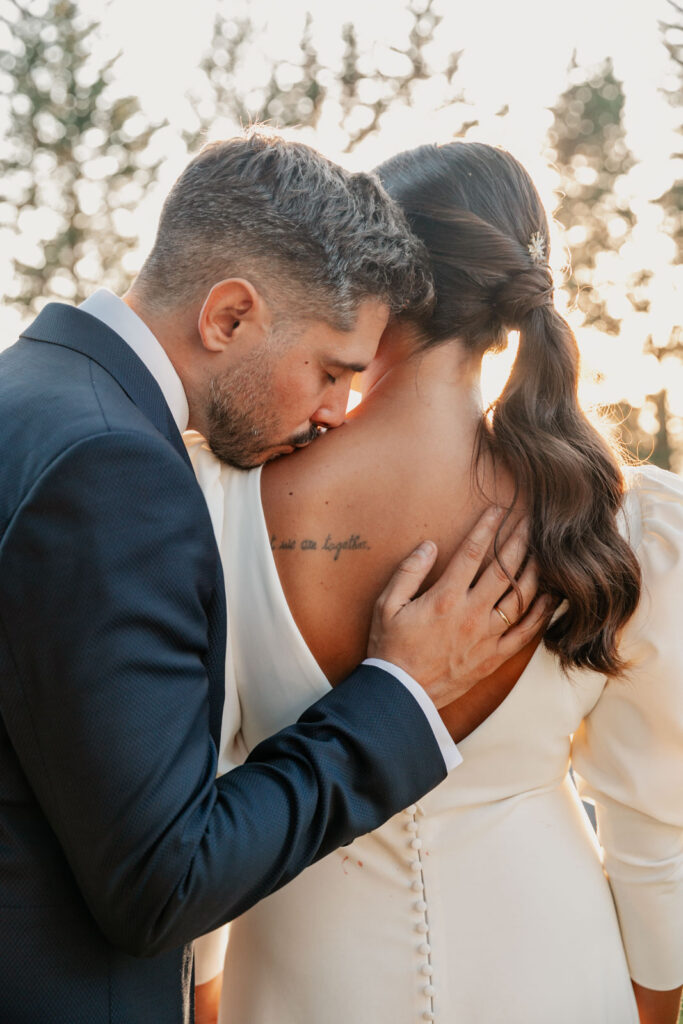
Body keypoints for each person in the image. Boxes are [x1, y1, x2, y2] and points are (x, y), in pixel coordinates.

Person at [0, 133, 548, 1024]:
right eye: (330, 371)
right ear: (229, 317)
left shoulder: (29, 397)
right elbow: (163, 882)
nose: (336, 412)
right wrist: (400, 692)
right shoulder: (112, 470)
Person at [189, 141, 683, 1024]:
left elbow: (189, 798)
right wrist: (649, 1005)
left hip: (301, 986)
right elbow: (653, 830)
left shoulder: (222, 500)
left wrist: (203, 981)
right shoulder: (620, 518)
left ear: (371, 277)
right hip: (558, 981)